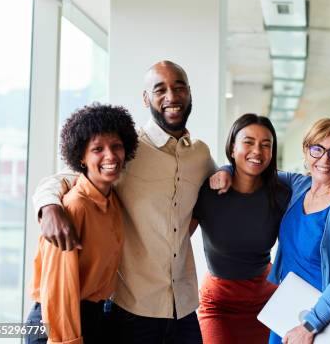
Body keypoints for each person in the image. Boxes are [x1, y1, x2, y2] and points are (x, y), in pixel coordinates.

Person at [32, 61, 216, 343]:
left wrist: (226, 175)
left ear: (189, 93)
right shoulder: (125, 151)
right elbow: (67, 178)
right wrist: (48, 206)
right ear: (146, 98)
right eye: (160, 89)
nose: (172, 96)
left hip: (185, 305)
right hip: (132, 308)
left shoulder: (200, 155)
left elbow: (216, 191)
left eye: (179, 88)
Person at [212, 118, 330, 343]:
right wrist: (225, 169)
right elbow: (254, 168)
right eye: (317, 149)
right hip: (289, 310)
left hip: (327, 322)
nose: (324, 159)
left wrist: (310, 325)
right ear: (306, 150)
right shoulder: (298, 185)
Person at [26, 103, 138, 344]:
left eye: (116, 146)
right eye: (98, 149)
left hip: (94, 317)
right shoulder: (74, 207)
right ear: (81, 157)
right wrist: (67, 340)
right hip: (57, 323)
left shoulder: (113, 200)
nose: (110, 155)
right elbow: (58, 289)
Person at [190, 114, 291, 344]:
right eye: (248, 142)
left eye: (266, 145)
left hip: (265, 299)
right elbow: (178, 239)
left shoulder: (281, 194)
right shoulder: (208, 191)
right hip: (218, 303)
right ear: (232, 148)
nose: (257, 150)